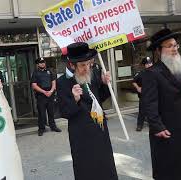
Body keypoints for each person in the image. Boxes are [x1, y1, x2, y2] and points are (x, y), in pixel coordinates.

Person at [142, 28, 181, 180]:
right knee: (169, 170)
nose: (175, 48)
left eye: (176, 45)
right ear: (159, 50)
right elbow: (149, 103)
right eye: (170, 45)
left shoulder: (177, 66)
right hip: (165, 129)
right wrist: (157, 126)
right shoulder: (151, 73)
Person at [57, 42, 118, 180]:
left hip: (100, 129)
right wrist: (75, 99)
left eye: (88, 64)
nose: (87, 68)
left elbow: (100, 98)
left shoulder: (94, 73)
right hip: (81, 135)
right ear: (72, 65)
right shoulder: (63, 82)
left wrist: (104, 84)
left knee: (105, 165)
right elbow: (65, 113)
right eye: (82, 65)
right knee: (86, 169)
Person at [31, 57, 61, 136]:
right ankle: (41, 128)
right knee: (41, 113)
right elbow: (34, 85)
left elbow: (53, 82)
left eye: (43, 62)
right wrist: (44, 92)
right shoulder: (35, 73)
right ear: (37, 64)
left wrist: (51, 91)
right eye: (41, 63)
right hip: (41, 96)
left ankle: (53, 126)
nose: (43, 64)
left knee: (51, 112)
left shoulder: (49, 71)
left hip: (50, 95)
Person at [132, 57, 153, 131]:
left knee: (153, 110)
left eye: (150, 63)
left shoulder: (155, 72)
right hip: (144, 95)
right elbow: (134, 81)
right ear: (144, 65)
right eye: (147, 64)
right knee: (142, 111)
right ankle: (139, 125)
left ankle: (153, 124)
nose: (149, 65)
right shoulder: (141, 73)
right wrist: (138, 88)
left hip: (153, 95)